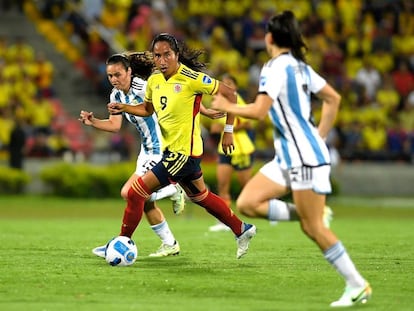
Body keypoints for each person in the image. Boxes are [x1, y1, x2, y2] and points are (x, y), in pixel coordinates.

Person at [211, 11, 371, 307]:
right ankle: (309, 212)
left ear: (269, 38)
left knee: (313, 229)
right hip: (290, 155)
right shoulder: (299, 66)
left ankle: (357, 284)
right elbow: (333, 98)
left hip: (303, 158)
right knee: (248, 203)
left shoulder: (273, 67)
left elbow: (259, 111)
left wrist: (225, 105)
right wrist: (318, 136)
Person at [107, 33, 257, 260]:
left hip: (184, 153)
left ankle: (120, 244)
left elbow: (230, 94)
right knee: (201, 196)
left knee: (136, 192)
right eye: (157, 55)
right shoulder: (155, 81)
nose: (162, 60)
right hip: (172, 152)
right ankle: (241, 229)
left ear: (176, 55)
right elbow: (147, 110)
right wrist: (124, 108)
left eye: (167, 54)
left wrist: (228, 131)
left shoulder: (191, 78)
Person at [79, 51, 186, 257]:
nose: (114, 80)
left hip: (161, 148)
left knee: (130, 193)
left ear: (129, 71)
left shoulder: (145, 87)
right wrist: (93, 122)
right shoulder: (116, 95)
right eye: (110, 76)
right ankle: (170, 243)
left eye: (118, 74)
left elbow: (161, 107)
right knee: (144, 201)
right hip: (145, 152)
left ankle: (172, 190)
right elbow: (114, 125)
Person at [207, 74, 255, 232]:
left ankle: (265, 210)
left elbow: (247, 124)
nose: (226, 86)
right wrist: (216, 128)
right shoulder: (219, 102)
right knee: (222, 185)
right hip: (224, 148)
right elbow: (216, 125)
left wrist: (226, 129)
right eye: (224, 84)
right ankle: (224, 221)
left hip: (241, 148)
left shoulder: (237, 101)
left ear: (235, 87)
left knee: (247, 186)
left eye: (229, 83)